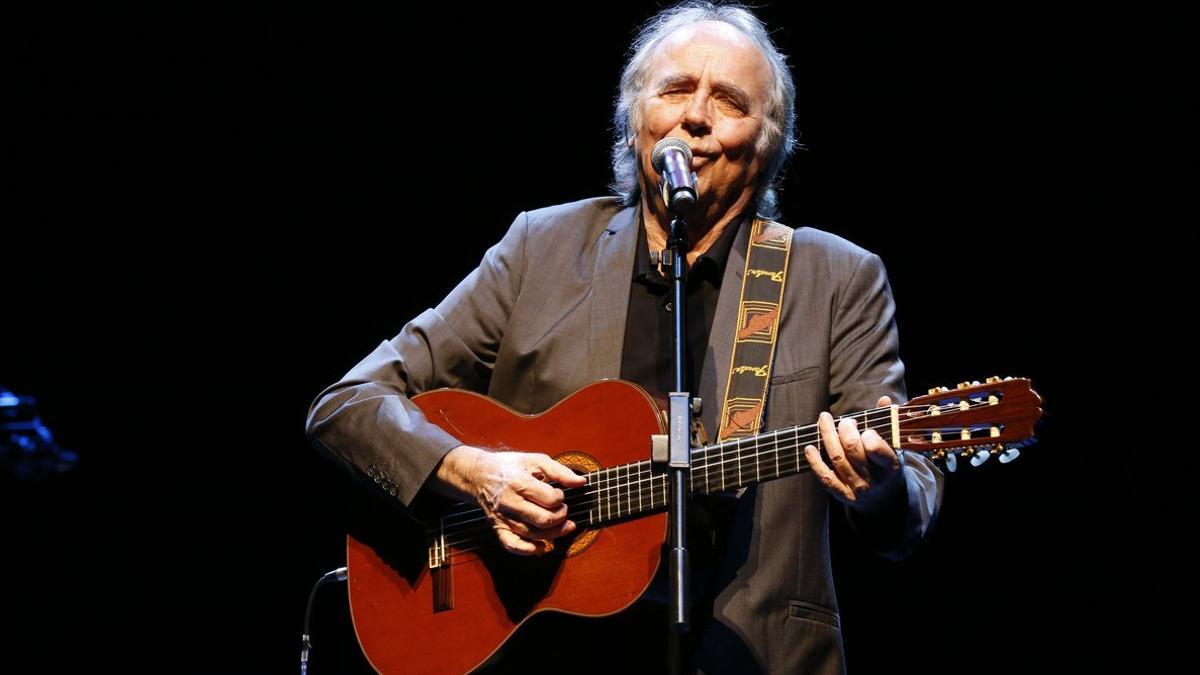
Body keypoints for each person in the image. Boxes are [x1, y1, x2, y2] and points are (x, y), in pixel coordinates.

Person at [306, 2, 941, 672]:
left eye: (727, 100)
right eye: (674, 90)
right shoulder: (542, 249)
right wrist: (473, 471)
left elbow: (911, 496)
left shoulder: (837, 277)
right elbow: (345, 404)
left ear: (767, 143)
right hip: (544, 653)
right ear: (636, 117)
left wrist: (878, 487)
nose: (694, 115)